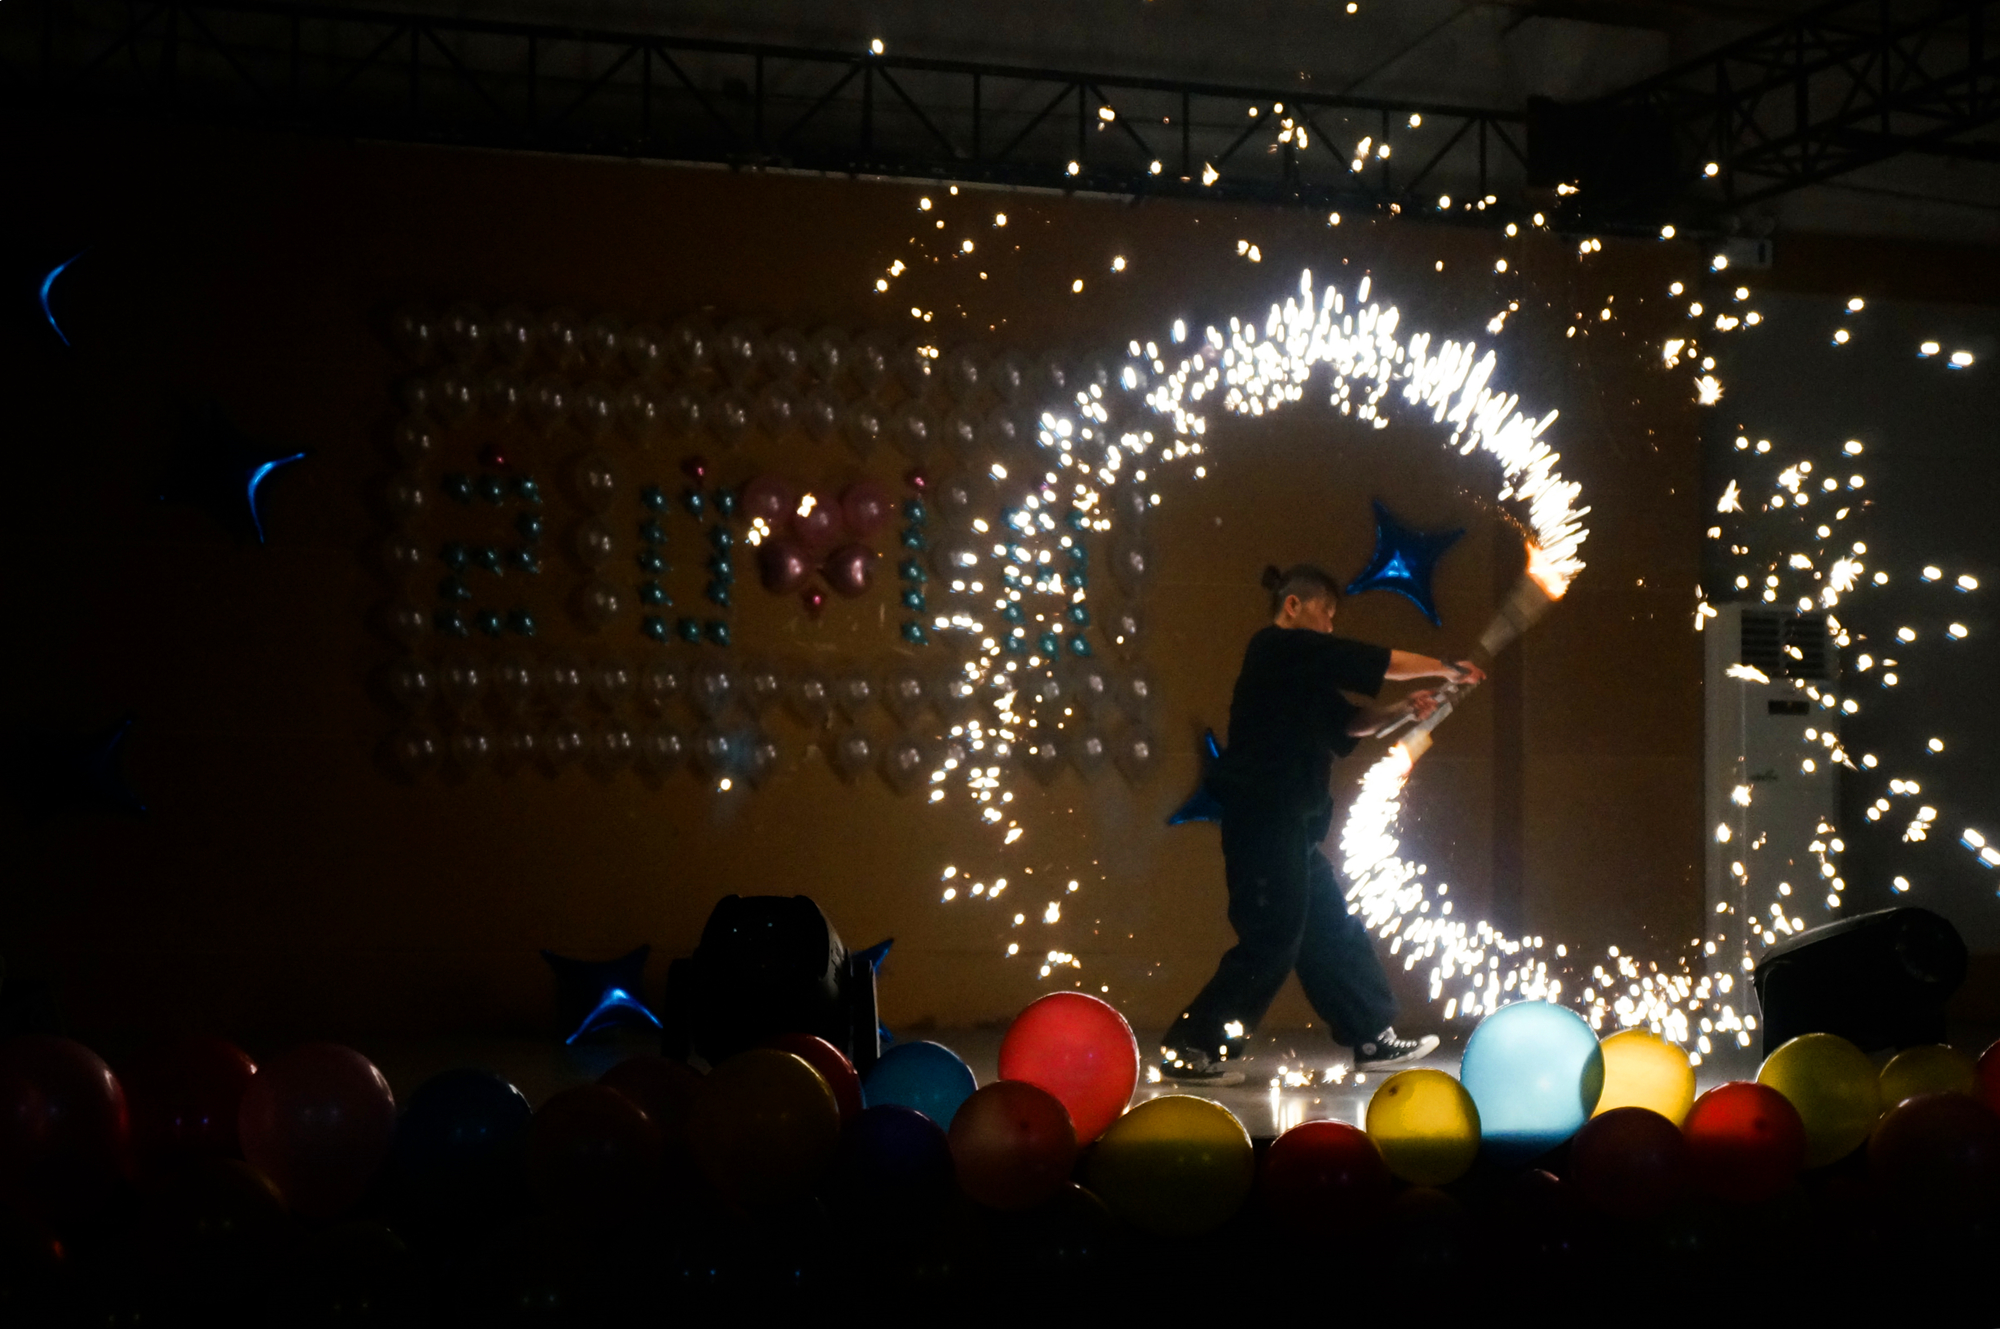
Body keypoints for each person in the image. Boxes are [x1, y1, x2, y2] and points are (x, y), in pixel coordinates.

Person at [1161, 563, 1486, 1086]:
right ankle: (1192, 1047)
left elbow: (1349, 723)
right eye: (1326, 613)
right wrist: (1446, 668)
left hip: (1295, 828)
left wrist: (1402, 709)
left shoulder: (1301, 676)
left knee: (1330, 929)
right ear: (1293, 606)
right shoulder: (1275, 647)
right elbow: (1375, 661)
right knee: (1272, 937)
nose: (1331, 626)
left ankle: (1371, 1037)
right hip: (1264, 821)